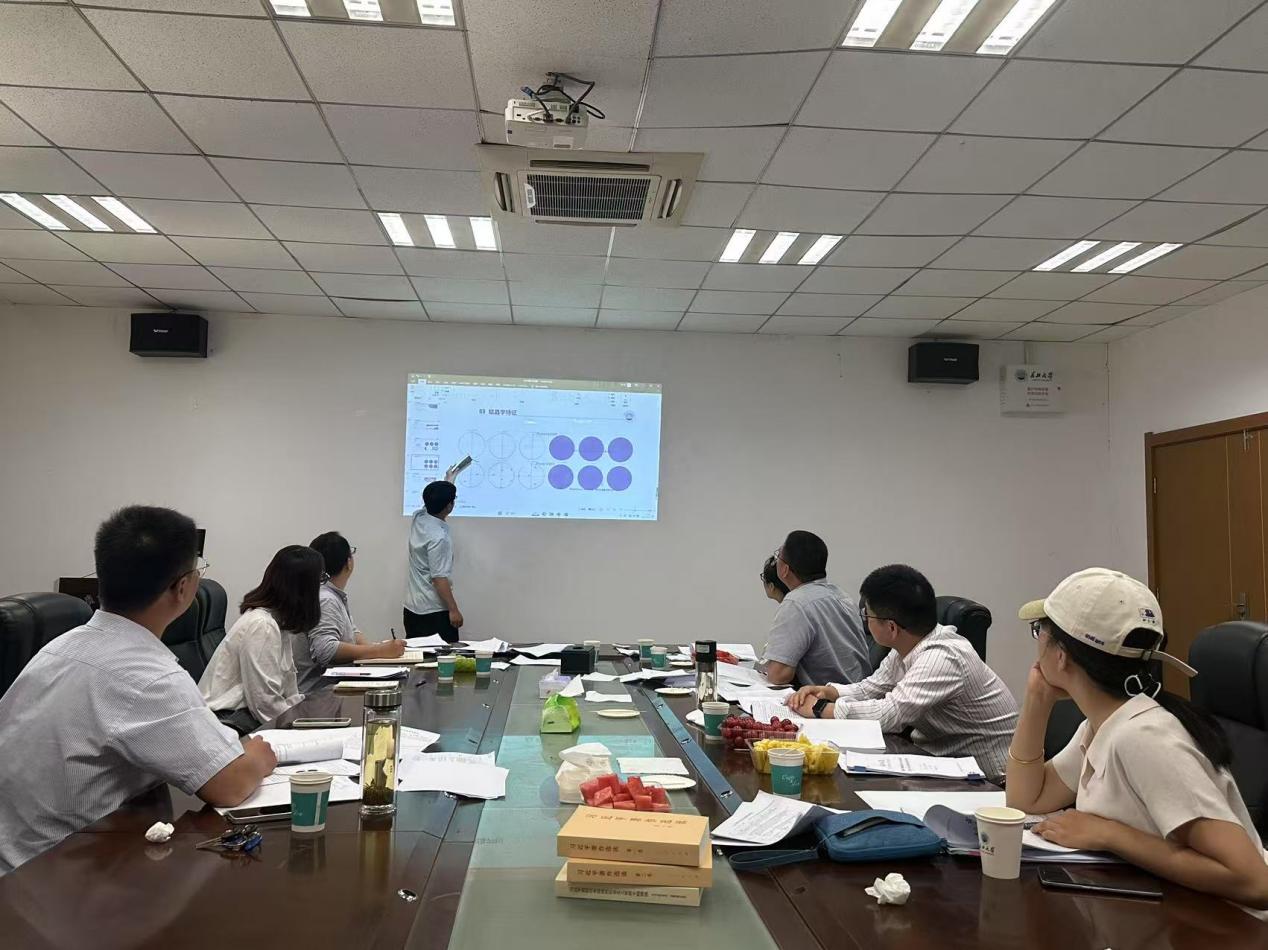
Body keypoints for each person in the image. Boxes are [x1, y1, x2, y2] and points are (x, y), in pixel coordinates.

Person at [0, 506, 275, 874]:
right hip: (54, 876)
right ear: (183, 587)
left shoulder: (59, 648)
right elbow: (230, 784)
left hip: (19, 860)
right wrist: (256, 756)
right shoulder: (149, 675)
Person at [1006, 568, 1268, 914]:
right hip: (1169, 910)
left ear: (1061, 656)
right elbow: (1027, 800)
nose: (1036, 641)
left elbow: (1254, 881)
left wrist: (1109, 835)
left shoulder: (1143, 738)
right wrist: (1037, 701)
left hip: (1231, 926)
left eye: (1040, 630)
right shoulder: (1104, 724)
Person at [789, 564, 1018, 781]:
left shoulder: (941, 658)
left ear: (891, 627)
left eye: (867, 616)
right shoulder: (908, 646)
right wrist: (828, 692)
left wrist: (821, 709)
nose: (865, 622)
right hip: (941, 761)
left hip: (990, 781)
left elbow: (891, 714)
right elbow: (872, 688)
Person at [200, 544, 322, 731]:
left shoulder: (278, 623)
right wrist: (302, 725)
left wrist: (305, 714)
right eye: (320, 580)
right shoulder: (262, 626)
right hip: (229, 723)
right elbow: (265, 703)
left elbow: (288, 690)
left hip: (249, 718)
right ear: (305, 588)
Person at [293, 532, 406, 694]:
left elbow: (352, 632)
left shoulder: (331, 595)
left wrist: (379, 650)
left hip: (335, 688)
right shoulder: (325, 599)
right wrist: (379, 651)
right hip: (320, 694)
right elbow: (326, 650)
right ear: (349, 563)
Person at [760, 530, 872, 687]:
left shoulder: (796, 603)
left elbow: (778, 676)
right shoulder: (842, 596)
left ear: (785, 569)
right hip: (857, 692)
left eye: (778, 555)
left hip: (826, 697)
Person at [404, 480, 463, 643]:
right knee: (444, 657)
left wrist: (449, 479)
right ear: (449, 506)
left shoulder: (419, 517)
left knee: (417, 655)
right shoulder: (439, 538)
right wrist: (454, 610)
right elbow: (439, 579)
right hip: (434, 613)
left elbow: (433, 501)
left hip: (412, 609)